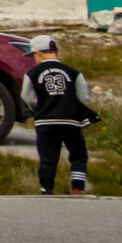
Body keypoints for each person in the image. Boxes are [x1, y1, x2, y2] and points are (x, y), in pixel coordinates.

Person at [20, 33, 94, 195]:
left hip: (45, 122)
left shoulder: (32, 73)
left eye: (33, 55)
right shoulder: (73, 72)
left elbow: (26, 97)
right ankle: (77, 187)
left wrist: (40, 105)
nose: (34, 58)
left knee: (48, 157)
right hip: (70, 122)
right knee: (78, 155)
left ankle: (46, 188)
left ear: (38, 53)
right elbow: (83, 97)